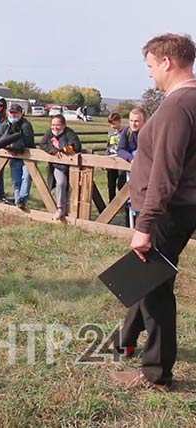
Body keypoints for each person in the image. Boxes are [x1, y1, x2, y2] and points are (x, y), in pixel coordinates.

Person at [109, 33, 196, 392]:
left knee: (155, 288)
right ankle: (124, 341)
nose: (149, 75)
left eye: (150, 66)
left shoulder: (178, 106)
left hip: (164, 211)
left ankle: (156, 372)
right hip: (178, 207)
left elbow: (166, 170)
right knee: (142, 276)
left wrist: (145, 223)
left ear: (166, 62)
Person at [40, 114, 81, 220]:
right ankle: (60, 209)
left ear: (64, 125)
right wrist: (53, 151)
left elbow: (75, 146)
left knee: (72, 189)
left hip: (72, 167)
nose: (55, 127)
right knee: (61, 183)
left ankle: (71, 212)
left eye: (58, 125)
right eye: (53, 125)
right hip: (58, 166)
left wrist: (61, 148)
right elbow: (43, 144)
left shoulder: (70, 133)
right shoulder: (50, 132)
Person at [0, 104, 35, 210]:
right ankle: (18, 201)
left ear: (21, 113)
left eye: (16, 112)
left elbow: (28, 141)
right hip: (13, 156)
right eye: (12, 112)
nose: (14, 114)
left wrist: (15, 148)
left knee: (26, 178)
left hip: (27, 156)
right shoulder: (5, 124)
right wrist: (10, 148)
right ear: (9, 113)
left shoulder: (26, 125)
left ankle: (22, 200)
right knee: (16, 180)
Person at [117, 108, 148, 227]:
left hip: (144, 173)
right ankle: (128, 225)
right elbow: (120, 149)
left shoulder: (148, 132)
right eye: (131, 120)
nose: (133, 124)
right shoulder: (126, 132)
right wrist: (131, 158)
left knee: (143, 198)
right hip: (129, 170)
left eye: (136, 121)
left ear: (144, 122)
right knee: (126, 194)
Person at [105, 112, 126, 202]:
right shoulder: (111, 133)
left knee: (121, 183)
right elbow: (108, 145)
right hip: (111, 160)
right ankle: (111, 203)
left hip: (121, 160)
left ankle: (122, 203)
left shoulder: (125, 132)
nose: (112, 126)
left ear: (119, 121)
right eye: (110, 124)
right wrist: (105, 158)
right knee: (111, 184)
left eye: (114, 123)